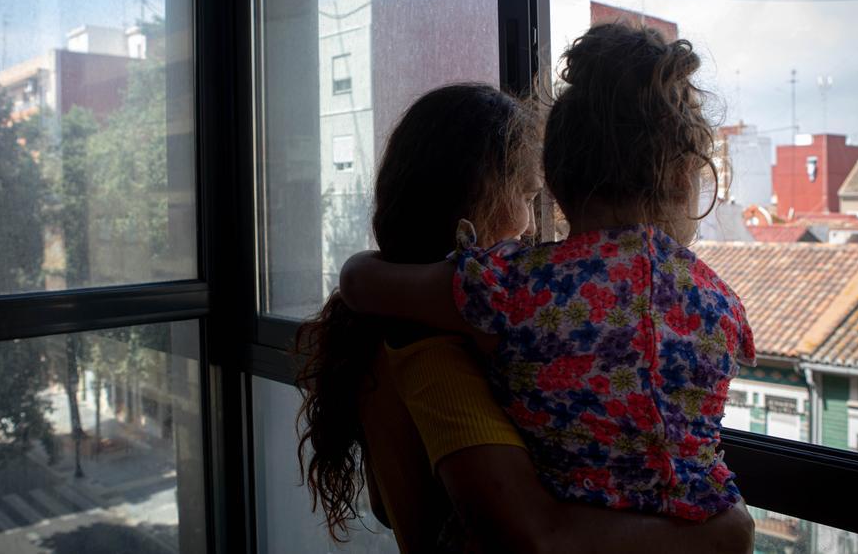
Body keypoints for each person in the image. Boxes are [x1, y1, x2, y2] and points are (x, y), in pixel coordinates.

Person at [299, 82, 754, 552]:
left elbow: (385, 504)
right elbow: (534, 538)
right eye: (524, 195)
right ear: (471, 204)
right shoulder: (433, 354)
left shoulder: (387, 322)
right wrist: (724, 532)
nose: (532, 226)